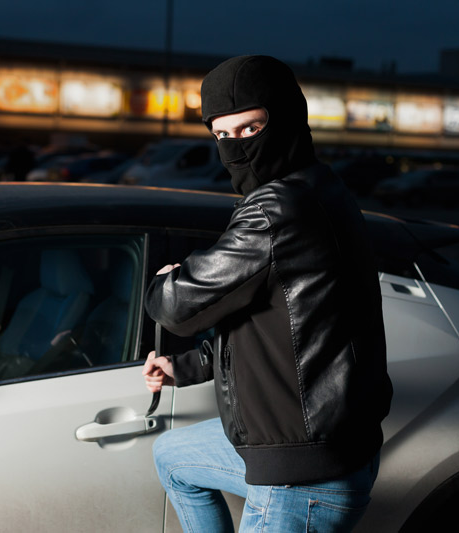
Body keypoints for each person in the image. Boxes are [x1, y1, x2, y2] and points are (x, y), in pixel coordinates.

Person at [142, 55, 393, 532]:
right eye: (222, 135)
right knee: (173, 456)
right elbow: (278, 326)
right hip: (322, 443)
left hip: (302, 480)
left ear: (288, 118)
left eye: (251, 128)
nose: (237, 147)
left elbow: (176, 306)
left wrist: (163, 280)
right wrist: (187, 367)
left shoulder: (276, 209)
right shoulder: (324, 188)